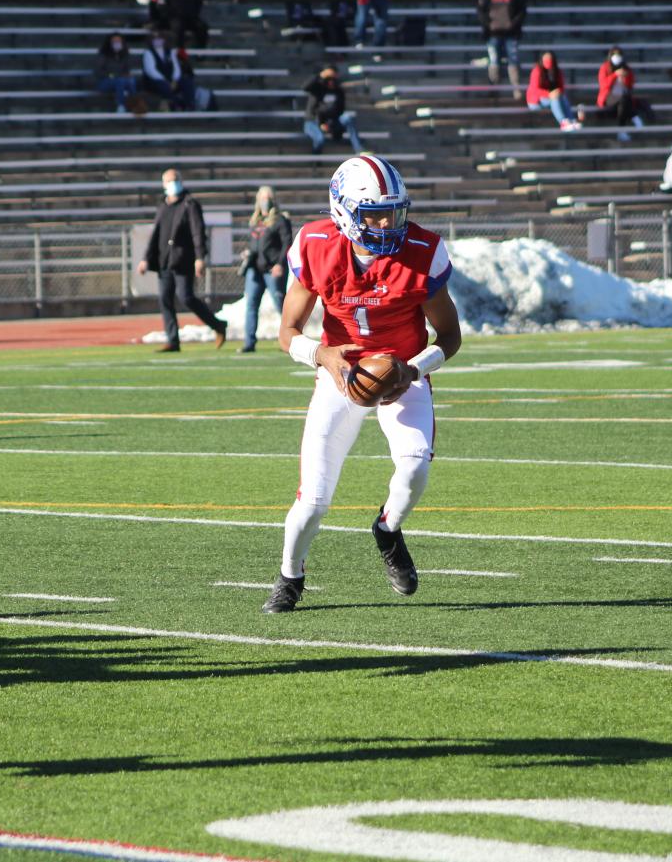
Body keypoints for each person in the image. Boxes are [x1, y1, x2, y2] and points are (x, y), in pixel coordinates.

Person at [263, 153, 462, 613]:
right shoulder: (316, 244)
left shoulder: (422, 251)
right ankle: (290, 576)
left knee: (415, 470)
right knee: (312, 501)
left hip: (403, 371)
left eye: (394, 212)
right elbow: (286, 332)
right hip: (341, 375)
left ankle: (387, 530)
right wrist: (322, 355)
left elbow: (449, 337)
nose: (388, 224)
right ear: (342, 209)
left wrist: (412, 369)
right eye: (374, 214)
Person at [135, 169, 228, 352]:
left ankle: (217, 325)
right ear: (163, 184)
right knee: (164, 298)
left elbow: (197, 232)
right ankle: (173, 340)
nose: (173, 183)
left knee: (186, 297)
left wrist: (200, 257)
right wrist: (146, 259)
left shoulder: (189, 204)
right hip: (164, 260)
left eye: (175, 179)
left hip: (183, 260)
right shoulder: (163, 206)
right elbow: (156, 234)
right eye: (169, 181)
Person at [239, 186, 293, 354]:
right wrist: (248, 253)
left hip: (272, 269)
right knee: (251, 304)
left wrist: (280, 264)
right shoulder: (255, 220)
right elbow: (255, 244)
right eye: (262, 197)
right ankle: (249, 342)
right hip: (255, 269)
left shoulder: (280, 220)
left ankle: (290, 340)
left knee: (281, 305)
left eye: (268, 197)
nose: (265, 201)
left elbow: (286, 244)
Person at [477, 0, 527, 98]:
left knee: (513, 59)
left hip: (511, 33)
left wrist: (513, 24)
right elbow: (481, 10)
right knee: (494, 60)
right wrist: (489, 25)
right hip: (494, 33)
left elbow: (522, 11)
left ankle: (517, 89)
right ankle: (493, 88)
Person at [302, 64, 364, 154]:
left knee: (347, 118)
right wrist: (321, 75)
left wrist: (329, 123)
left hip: (332, 121)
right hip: (313, 120)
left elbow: (340, 110)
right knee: (320, 139)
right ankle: (316, 159)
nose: (331, 82)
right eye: (329, 79)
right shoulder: (317, 87)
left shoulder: (338, 91)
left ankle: (359, 149)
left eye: (333, 79)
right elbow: (305, 87)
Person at [596, 46, 645, 141]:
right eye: (615, 55)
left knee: (624, 101)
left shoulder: (626, 68)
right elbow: (603, 85)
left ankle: (622, 131)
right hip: (608, 98)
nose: (617, 57)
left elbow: (630, 85)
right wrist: (615, 75)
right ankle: (634, 117)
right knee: (624, 101)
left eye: (619, 55)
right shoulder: (605, 67)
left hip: (623, 99)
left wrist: (624, 76)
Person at [525, 51, 581, 132]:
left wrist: (557, 92)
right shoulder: (537, 71)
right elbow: (534, 90)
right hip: (535, 102)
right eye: (546, 58)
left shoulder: (557, 71)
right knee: (554, 99)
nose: (548, 61)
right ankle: (563, 123)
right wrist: (549, 94)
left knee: (562, 97)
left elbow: (561, 87)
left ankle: (571, 120)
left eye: (550, 58)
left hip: (551, 99)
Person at [140, 31, 195, 112]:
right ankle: (177, 104)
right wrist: (165, 80)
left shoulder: (170, 52)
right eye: (155, 39)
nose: (157, 41)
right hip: (154, 81)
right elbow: (150, 71)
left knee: (187, 82)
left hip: (171, 80)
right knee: (164, 85)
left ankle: (189, 105)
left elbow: (176, 68)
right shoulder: (148, 53)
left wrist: (175, 80)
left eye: (159, 39)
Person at [95, 32, 139, 114]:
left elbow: (127, 69)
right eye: (114, 41)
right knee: (120, 80)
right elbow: (98, 72)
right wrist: (113, 75)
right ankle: (121, 105)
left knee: (131, 81)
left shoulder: (125, 55)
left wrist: (127, 74)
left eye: (119, 41)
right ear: (109, 43)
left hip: (121, 80)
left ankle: (135, 105)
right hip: (105, 81)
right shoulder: (103, 55)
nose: (117, 43)